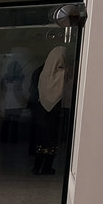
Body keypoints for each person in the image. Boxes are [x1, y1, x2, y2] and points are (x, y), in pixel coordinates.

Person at [28, 46, 67, 175]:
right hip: (55, 113)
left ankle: (37, 166)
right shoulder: (64, 74)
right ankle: (47, 166)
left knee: (41, 139)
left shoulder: (41, 72)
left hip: (41, 111)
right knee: (51, 140)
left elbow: (33, 91)